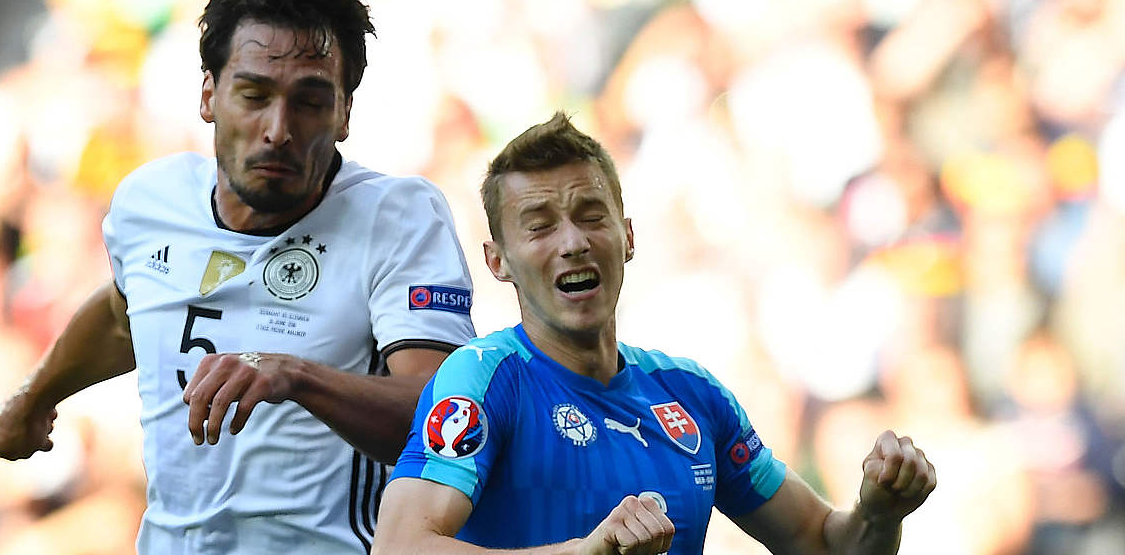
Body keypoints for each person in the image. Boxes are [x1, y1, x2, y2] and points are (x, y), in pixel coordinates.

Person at [0, 0, 477, 554]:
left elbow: (444, 423)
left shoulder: (397, 219)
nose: (278, 128)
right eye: (254, 94)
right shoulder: (151, 201)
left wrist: (296, 376)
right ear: (208, 96)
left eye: (310, 101)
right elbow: (124, 317)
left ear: (345, 112)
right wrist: (37, 395)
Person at [374, 113, 937, 555]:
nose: (572, 241)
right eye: (540, 226)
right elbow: (399, 548)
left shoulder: (692, 394)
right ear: (498, 262)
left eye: (592, 216)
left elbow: (823, 544)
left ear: (628, 236)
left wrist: (880, 514)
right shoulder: (485, 379)